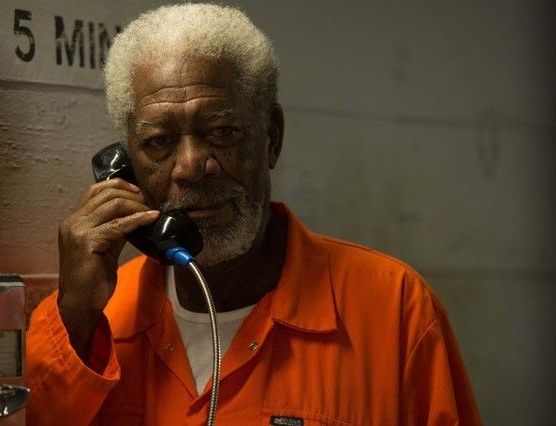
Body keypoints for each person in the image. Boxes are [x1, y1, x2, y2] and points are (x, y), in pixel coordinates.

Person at [26, 4, 482, 425]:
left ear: (272, 138)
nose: (191, 167)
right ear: (127, 164)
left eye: (222, 131)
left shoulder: (395, 309)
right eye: (159, 142)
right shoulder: (95, 318)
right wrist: (77, 319)